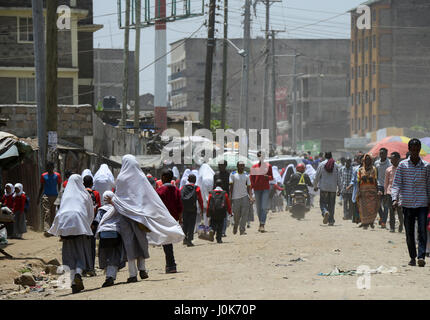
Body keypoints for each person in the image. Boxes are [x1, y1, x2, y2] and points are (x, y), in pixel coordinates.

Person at [106, 155, 184, 281]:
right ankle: (142, 269)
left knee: (129, 243)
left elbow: (119, 197)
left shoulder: (121, 178)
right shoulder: (141, 177)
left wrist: (112, 201)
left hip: (125, 216)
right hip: (141, 216)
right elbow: (149, 197)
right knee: (140, 242)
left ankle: (132, 274)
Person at [48, 174, 94, 294]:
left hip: (65, 228)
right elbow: (90, 213)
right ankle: (79, 274)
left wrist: (57, 230)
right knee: (80, 253)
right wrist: (86, 226)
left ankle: (73, 282)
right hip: (79, 226)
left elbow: (59, 213)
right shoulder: (85, 194)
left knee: (69, 255)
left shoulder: (65, 196)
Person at [391, 139, 430, 267]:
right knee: (409, 232)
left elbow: (428, 185)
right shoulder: (403, 165)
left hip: (422, 203)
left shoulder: (426, 166)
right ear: (409, 150)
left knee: (422, 231)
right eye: (412, 149)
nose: (414, 152)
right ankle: (412, 257)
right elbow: (396, 184)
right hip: (407, 203)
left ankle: (421, 256)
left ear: (419, 150)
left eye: (417, 149)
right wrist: (394, 199)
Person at [93, 191, 126, 288]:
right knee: (114, 254)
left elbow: (96, 221)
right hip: (115, 233)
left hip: (103, 234)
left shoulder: (101, 209)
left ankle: (108, 275)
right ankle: (110, 276)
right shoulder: (118, 208)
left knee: (104, 254)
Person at [156, 170, 183, 273]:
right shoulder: (176, 190)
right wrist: (180, 219)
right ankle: (171, 264)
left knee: (167, 242)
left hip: (163, 219)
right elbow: (179, 206)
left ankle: (171, 265)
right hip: (173, 219)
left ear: (164, 178)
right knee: (168, 241)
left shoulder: (160, 191)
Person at [313, 152, 341, 226]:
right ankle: (331, 220)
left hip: (324, 188)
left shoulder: (321, 164)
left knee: (323, 203)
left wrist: (315, 186)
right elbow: (339, 178)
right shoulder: (336, 165)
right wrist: (340, 189)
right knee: (331, 204)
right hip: (333, 188)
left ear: (325, 156)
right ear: (331, 156)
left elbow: (317, 176)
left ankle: (325, 211)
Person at [83, 175, 101, 277]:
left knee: (83, 245)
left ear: (83, 183)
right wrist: (94, 222)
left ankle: (84, 268)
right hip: (92, 224)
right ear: (92, 183)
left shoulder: (80, 193)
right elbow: (98, 208)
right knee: (92, 246)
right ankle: (91, 268)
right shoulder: (96, 193)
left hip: (82, 224)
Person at [250, 151, 273, 233]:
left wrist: (268, 177)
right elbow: (251, 180)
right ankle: (260, 222)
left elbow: (271, 177)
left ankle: (262, 224)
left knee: (263, 207)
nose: (261, 157)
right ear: (258, 157)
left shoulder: (268, 166)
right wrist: (251, 192)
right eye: (259, 156)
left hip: (265, 189)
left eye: (262, 156)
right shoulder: (254, 167)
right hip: (256, 189)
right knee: (258, 208)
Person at [37, 162, 62, 236]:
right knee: (46, 212)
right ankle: (47, 229)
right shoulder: (43, 176)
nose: (49, 169)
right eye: (48, 167)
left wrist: (59, 196)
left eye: (51, 167)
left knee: (53, 213)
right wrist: (38, 197)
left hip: (55, 196)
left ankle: (53, 230)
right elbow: (41, 187)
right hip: (46, 196)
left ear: (53, 168)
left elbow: (60, 186)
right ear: (46, 168)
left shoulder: (57, 175)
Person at [229, 161, 253, 235]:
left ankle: (242, 229)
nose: (242, 167)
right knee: (237, 215)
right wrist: (230, 197)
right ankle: (236, 225)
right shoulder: (233, 175)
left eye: (243, 166)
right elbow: (231, 187)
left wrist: (251, 197)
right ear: (237, 166)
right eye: (240, 166)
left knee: (244, 214)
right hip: (235, 198)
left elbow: (249, 187)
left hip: (245, 197)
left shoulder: (246, 175)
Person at [356, 154, 379, 230]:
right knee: (363, 207)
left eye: (369, 159)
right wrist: (358, 191)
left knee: (372, 207)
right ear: (364, 160)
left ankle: (371, 222)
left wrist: (377, 190)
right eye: (366, 159)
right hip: (363, 191)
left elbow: (375, 180)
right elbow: (358, 181)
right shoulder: (360, 170)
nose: (367, 160)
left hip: (372, 191)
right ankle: (364, 222)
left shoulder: (374, 169)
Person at [180, 174, 204, 246]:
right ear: (195, 180)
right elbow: (200, 200)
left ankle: (185, 239)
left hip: (184, 209)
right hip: (193, 209)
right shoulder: (197, 188)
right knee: (191, 225)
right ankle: (189, 241)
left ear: (188, 179)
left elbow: (179, 197)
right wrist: (202, 210)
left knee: (185, 224)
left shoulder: (182, 188)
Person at [207, 179, 232, 243]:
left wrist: (208, 213)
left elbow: (209, 204)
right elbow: (228, 204)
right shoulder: (224, 193)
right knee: (220, 225)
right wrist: (230, 212)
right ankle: (219, 239)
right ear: (222, 185)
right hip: (222, 212)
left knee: (213, 223)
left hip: (213, 212)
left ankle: (212, 230)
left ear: (215, 185)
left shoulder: (211, 193)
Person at [384, 152, 403, 233]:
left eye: (394, 159)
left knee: (400, 211)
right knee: (391, 211)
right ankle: (392, 227)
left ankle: (401, 225)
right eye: (391, 159)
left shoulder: (402, 168)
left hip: (400, 193)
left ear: (398, 159)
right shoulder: (388, 170)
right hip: (390, 192)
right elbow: (386, 183)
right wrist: (385, 193)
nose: (392, 161)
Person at [375, 148, 391, 229]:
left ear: (386, 154)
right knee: (377, 204)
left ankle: (384, 222)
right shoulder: (376, 163)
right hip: (379, 186)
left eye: (383, 153)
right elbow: (375, 175)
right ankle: (381, 217)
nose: (381, 155)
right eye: (380, 153)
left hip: (387, 186)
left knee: (385, 205)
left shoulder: (389, 163)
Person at [214, 160, 231, 237]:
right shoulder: (216, 175)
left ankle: (223, 231)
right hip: (216, 196)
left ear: (225, 166)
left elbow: (230, 186)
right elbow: (214, 186)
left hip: (225, 196)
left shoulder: (228, 174)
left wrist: (229, 197)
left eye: (222, 165)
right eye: (219, 165)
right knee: (216, 214)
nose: (220, 166)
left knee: (224, 214)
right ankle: (217, 230)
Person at [197, 163, 215, 228]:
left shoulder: (202, 175)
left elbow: (198, 186)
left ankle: (206, 224)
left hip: (203, 194)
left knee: (205, 209)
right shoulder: (212, 174)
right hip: (212, 195)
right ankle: (211, 225)